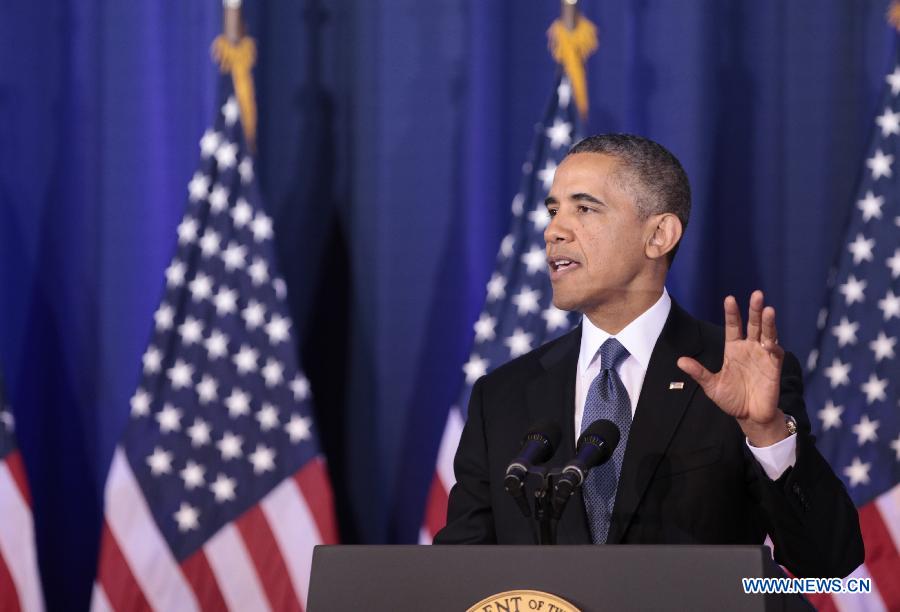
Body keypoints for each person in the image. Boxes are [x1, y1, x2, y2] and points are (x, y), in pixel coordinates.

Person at [434, 134, 864, 579]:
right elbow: (461, 574)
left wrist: (766, 433)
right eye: (552, 210)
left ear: (659, 235)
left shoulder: (731, 373)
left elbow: (828, 563)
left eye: (584, 208)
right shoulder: (501, 396)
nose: (553, 230)